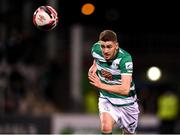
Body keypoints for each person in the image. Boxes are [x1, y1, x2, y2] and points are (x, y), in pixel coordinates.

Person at [88, 30, 140, 134]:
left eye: (109, 47)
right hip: (107, 98)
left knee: (128, 133)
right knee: (106, 127)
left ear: (116, 46)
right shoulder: (95, 49)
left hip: (127, 102)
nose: (105, 50)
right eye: (103, 46)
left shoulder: (125, 59)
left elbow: (125, 90)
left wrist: (101, 85)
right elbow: (96, 58)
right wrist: (94, 66)